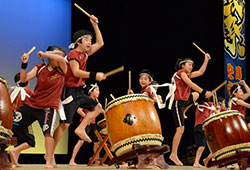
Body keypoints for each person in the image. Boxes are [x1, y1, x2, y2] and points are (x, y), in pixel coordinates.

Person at [51, 15, 105, 165]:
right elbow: (75, 72)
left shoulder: (84, 54)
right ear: (78, 42)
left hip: (79, 91)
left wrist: (94, 25)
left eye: (90, 39)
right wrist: (94, 75)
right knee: (65, 124)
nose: (90, 42)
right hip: (68, 92)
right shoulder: (74, 54)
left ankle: (81, 128)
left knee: (97, 107)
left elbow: (100, 43)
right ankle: (50, 154)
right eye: (87, 39)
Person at [10, 46, 67, 169]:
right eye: (59, 55)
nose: (61, 58)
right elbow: (24, 79)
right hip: (32, 105)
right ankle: (16, 150)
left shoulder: (62, 70)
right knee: (13, 124)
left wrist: (46, 55)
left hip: (48, 108)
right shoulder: (40, 68)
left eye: (62, 56)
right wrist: (24, 64)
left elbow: (60, 60)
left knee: (48, 133)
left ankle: (48, 161)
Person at [169, 54, 213, 166]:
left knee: (195, 95)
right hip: (176, 103)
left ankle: (184, 111)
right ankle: (173, 154)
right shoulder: (181, 73)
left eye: (192, 65)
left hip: (183, 102)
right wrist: (204, 92)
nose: (191, 67)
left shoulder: (187, 74)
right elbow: (190, 84)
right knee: (180, 129)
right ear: (182, 65)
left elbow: (200, 72)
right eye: (189, 64)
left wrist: (206, 60)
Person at [69, 84, 101, 166]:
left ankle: (97, 160)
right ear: (91, 92)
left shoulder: (96, 101)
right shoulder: (88, 100)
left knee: (96, 142)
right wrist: (86, 117)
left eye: (98, 90)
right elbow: (79, 110)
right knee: (80, 141)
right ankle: (72, 160)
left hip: (93, 124)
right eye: (96, 90)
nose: (98, 92)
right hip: (85, 124)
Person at [8, 73, 34, 167]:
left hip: (12, 121)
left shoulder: (12, 92)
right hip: (23, 121)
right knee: (31, 141)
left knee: (18, 142)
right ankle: (13, 151)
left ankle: (14, 163)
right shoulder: (28, 92)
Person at [193, 97, 217, 168]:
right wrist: (217, 108)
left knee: (201, 146)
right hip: (203, 127)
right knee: (214, 144)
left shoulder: (198, 105)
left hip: (197, 127)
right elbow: (217, 111)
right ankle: (210, 159)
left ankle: (196, 162)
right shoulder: (208, 104)